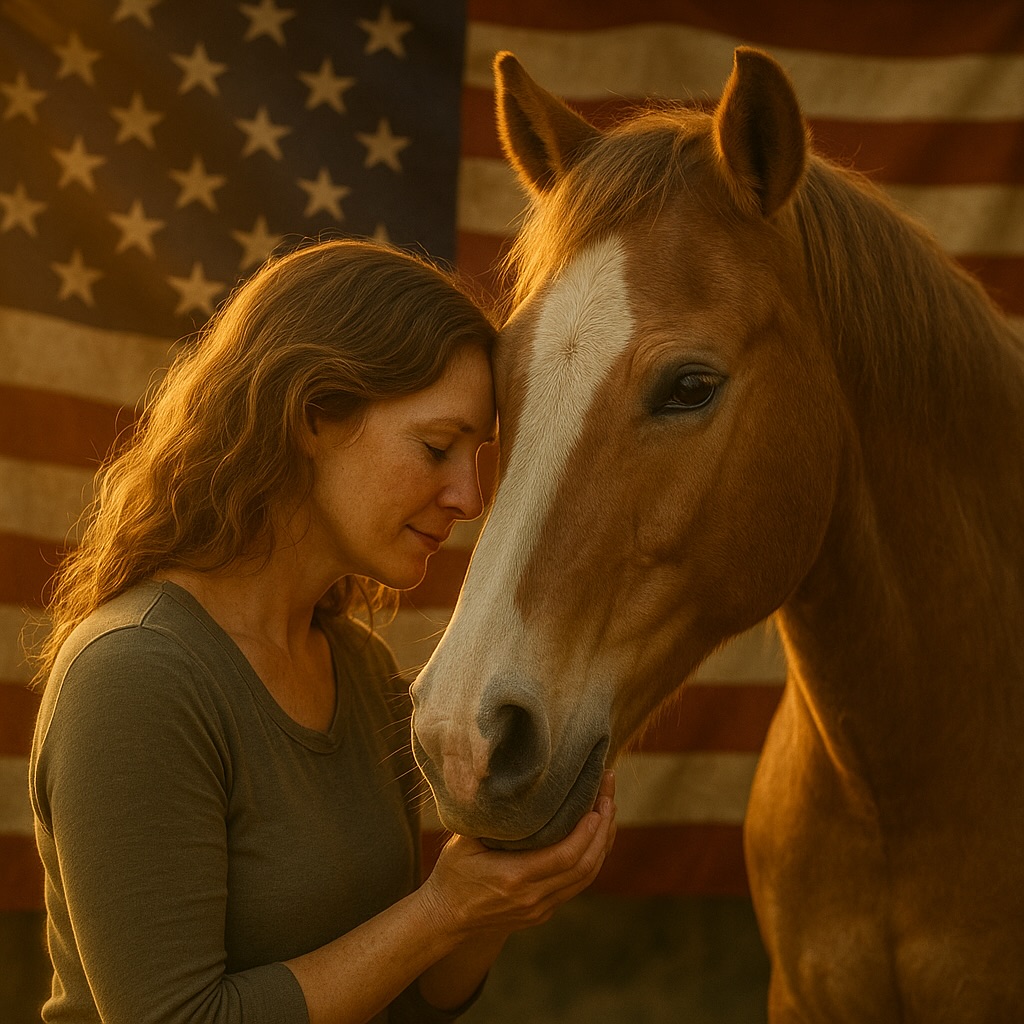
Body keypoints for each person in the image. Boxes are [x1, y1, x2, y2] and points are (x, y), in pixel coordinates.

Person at [28, 239, 617, 1024]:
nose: (470, 497)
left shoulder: (363, 670)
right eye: (437, 447)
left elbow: (397, 995)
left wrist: (493, 899)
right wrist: (440, 909)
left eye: (477, 458)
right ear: (310, 416)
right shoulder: (136, 672)